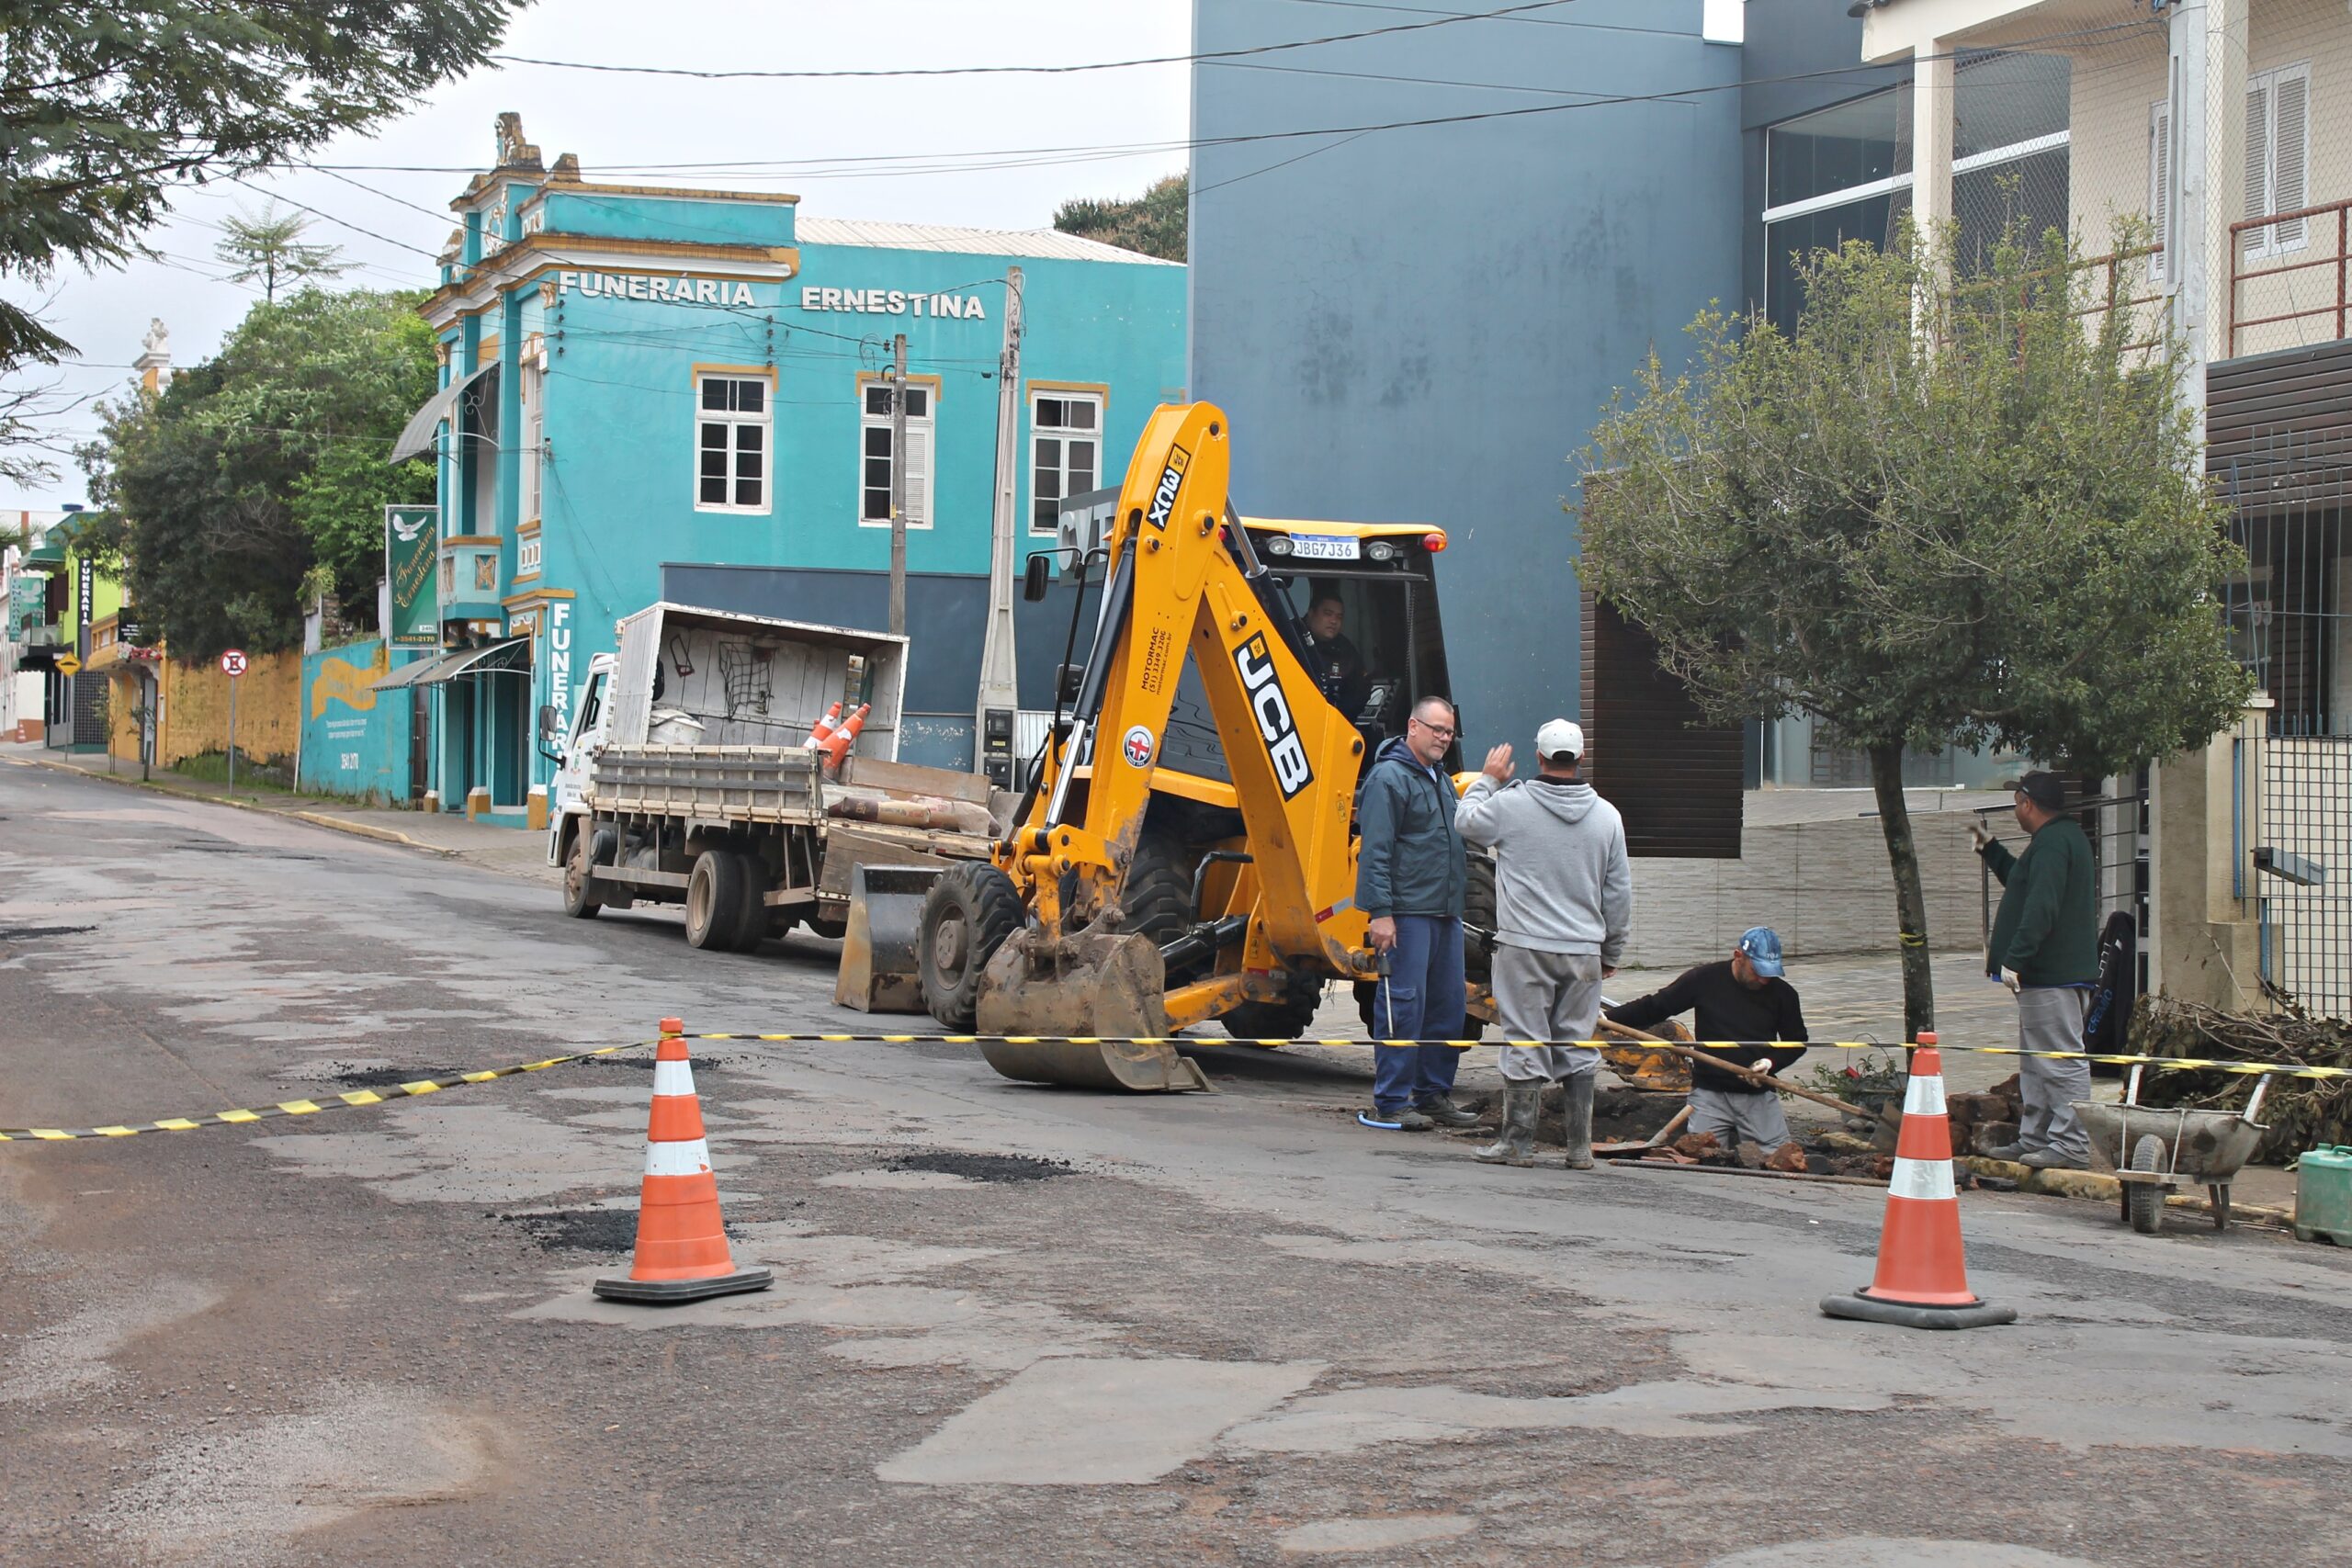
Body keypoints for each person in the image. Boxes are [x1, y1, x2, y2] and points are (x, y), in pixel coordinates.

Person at [1453, 718, 1631, 1169]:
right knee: (1577, 1042)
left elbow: (1465, 823)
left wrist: (1487, 780)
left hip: (1524, 948)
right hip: (1583, 950)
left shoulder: (1512, 805)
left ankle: (1518, 1143)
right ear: (1582, 757)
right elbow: (1618, 893)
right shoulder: (1607, 816)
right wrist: (1610, 951)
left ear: (1539, 756)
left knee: (1525, 1040)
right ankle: (1579, 1149)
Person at [1356, 694, 1473, 1132]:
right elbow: (1376, 851)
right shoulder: (1388, 778)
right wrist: (1380, 913)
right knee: (1402, 1005)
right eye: (1437, 729)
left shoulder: (1439, 779)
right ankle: (1391, 1101)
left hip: (1445, 913)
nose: (1443, 738)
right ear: (1413, 726)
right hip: (1406, 914)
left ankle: (1432, 1095)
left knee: (1448, 1006)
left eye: (1449, 732)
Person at [1972, 771, 2098, 1170]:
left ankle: (2070, 1145)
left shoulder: (2054, 843)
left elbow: (2042, 905)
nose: (2015, 809)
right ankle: (2037, 1139)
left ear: (2027, 803)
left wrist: (2016, 958)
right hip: (2045, 976)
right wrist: (1989, 847)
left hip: (2051, 975)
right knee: (2036, 1062)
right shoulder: (2056, 839)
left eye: (2016, 803)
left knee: (2058, 1061)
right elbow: (2022, 882)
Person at [1607, 929, 1808, 1155]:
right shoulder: (1705, 980)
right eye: (1758, 971)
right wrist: (1607, 1018)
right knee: (1701, 1155)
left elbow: (1797, 1042)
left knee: (1776, 1157)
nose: (1764, 980)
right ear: (1738, 956)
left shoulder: (1783, 994)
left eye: (1770, 973)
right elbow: (1655, 1007)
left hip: (1758, 1096)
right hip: (1709, 1094)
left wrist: (1770, 1063)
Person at [1302, 589, 1370, 719]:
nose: (1334, 621)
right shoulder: (1289, 637)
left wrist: (1339, 715)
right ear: (1311, 613)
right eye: (1328, 614)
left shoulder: (1344, 648)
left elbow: (1360, 691)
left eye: (1339, 617)